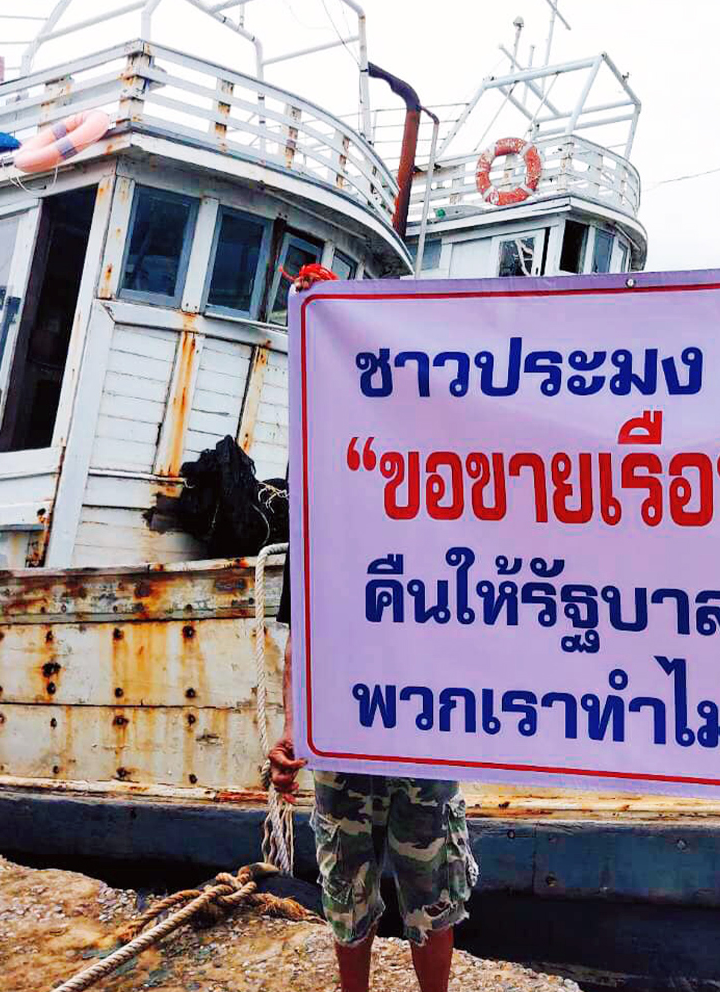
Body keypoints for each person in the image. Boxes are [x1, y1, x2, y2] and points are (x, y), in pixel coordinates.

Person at [268, 268, 477, 992]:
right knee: (348, 884)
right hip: (351, 723)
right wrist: (296, 731)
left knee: (430, 883)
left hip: (422, 719)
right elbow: (304, 627)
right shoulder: (322, 486)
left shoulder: (438, 479)